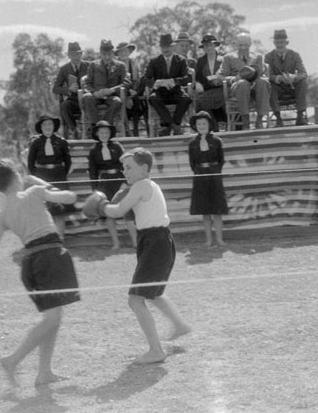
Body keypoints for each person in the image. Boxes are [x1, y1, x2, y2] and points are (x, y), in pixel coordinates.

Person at [0, 159, 81, 388]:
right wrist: (40, 183)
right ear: (16, 176)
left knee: (53, 318)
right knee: (52, 318)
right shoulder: (34, 191)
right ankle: (12, 360)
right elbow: (70, 198)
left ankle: (44, 372)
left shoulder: (1, 213)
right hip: (50, 256)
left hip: (31, 263)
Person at [97, 147, 191, 364]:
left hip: (155, 242)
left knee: (135, 300)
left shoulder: (141, 185)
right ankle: (179, 325)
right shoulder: (150, 185)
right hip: (158, 241)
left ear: (144, 168)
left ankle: (156, 351)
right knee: (153, 292)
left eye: (129, 167)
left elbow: (118, 211)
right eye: (123, 168)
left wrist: (100, 205)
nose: (125, 172)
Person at [87, 120, 135, 250]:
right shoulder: (93, 150)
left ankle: (136, 243)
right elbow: (92, 172)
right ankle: (116, 243)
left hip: (119, 181)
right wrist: (95, 191)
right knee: (109, 213)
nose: (104, 134)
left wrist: (125, 182)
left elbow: (126, 163)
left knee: (128, 212)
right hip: (104, 183)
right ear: (97, 133)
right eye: (102, 132)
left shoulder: (117, 146)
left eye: (107, 132)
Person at [25, 115, 73, 239]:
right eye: (45, 125)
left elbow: (68, 162)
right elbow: (30, 164)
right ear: (41, 127)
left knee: (60, 208)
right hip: (42, 176)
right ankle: (48, 238)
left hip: (59, 175)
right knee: (46, 207)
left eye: (50, 124)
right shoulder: (35, 143)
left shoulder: (61, 141)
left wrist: (60, 173)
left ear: (54, 126)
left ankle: (61, 238)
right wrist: (38, 178)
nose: (48, 127)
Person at [188, 111, 228, 247]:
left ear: (209, 125)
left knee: (217, 210)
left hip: (214, 175)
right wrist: (201, 170)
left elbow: (221, 160)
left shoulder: (217, 141)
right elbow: (192, 163)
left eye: (204, 123)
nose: (201, 126)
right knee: (205, 211)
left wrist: (214, 170)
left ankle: (220, 239)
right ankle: (208, 240)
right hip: (200, 176)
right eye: (198, 124)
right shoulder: (192, 142)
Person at [219, 32, 271, 129]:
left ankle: (259, 119)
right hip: (238, 87)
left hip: (255, 86)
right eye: (240, 45)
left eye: (246, 45)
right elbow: (221, 76)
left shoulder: (257, 57)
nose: (243, 48)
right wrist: (234, 78)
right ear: (236, 44)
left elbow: (262, 73)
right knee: (243, 83)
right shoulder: (228, 58)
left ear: (250, 44)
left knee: (262, 82)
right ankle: (245, 120)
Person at [144, 34, 192, 136]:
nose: (165, 49)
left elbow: (188, 78)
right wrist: (157, 83)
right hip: (160, 93)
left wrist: (174, 81)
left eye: (168, 46)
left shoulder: (181, 60)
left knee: (186, 99)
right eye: (163, 47)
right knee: (153, 98)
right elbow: (144, 79)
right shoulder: (154, 61)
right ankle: (171, 125)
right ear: (160, 48)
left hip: (176, 92)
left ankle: (173, 124)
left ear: (173, 47)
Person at [81, 40, 131, 132]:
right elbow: (86, 82)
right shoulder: (93, 65)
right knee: (87, 97)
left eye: (109, 54)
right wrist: (94, 93)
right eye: (104, 54)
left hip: (111, 96)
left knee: (117, 101)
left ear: (113, 53)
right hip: (96, 96)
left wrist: (112, 90)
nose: (107, 57)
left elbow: (126, 83)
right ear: (100, 53)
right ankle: (95, 127)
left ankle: (106, 126)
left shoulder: (120, 65)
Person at [265, 29, 309, 127]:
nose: (280, 45)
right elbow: (267, 75)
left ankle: (300, 117)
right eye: (277, 43)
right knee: (268, 85)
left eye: (282, 42)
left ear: (286, 42)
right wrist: (279, 78)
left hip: (292, 87)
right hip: (278, 88)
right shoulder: (268, 57)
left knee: (303, 82)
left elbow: (303, 73)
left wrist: (293, 77)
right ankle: (278, 118)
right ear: (274, 43)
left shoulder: (295, 55)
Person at [52, 42, 89, 139]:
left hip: (88, 98)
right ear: (69, 56)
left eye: (77, 54)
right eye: (72, 54)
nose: (75, 56)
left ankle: (92, 130)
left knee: (91, 101)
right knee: (64, 105)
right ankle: (74, 130)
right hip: (74, 99)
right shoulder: (64, 69)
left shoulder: (89, 66)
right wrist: (69, 89)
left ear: (81, 54)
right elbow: (56, 88)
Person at [116, 41, 148, 136]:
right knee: (127, 103)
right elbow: (116, 82)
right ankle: (127, 132)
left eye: (126, 51)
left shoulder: (134, 63)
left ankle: (136, 130)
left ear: (129, 51)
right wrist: (127, 94)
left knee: (139, 102)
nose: (124, 53)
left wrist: (134, 91)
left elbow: (138, 78)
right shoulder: (115, 65)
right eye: (121, 51)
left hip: (134, 92)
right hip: (120, 92)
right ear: (118, 53)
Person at [192, 34, 227, 124]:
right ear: (203, 47)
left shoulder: (224, 58)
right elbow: (198, 78)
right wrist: (197, 84)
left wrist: (218, 79)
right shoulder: (200, 61)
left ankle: (223, 121)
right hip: (207, 89)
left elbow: (227, 73)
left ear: (215, 45)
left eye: (211, 45)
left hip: (223, 88)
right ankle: (211, 125)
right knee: (200, 99)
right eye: (206, 46)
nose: (208, 48)